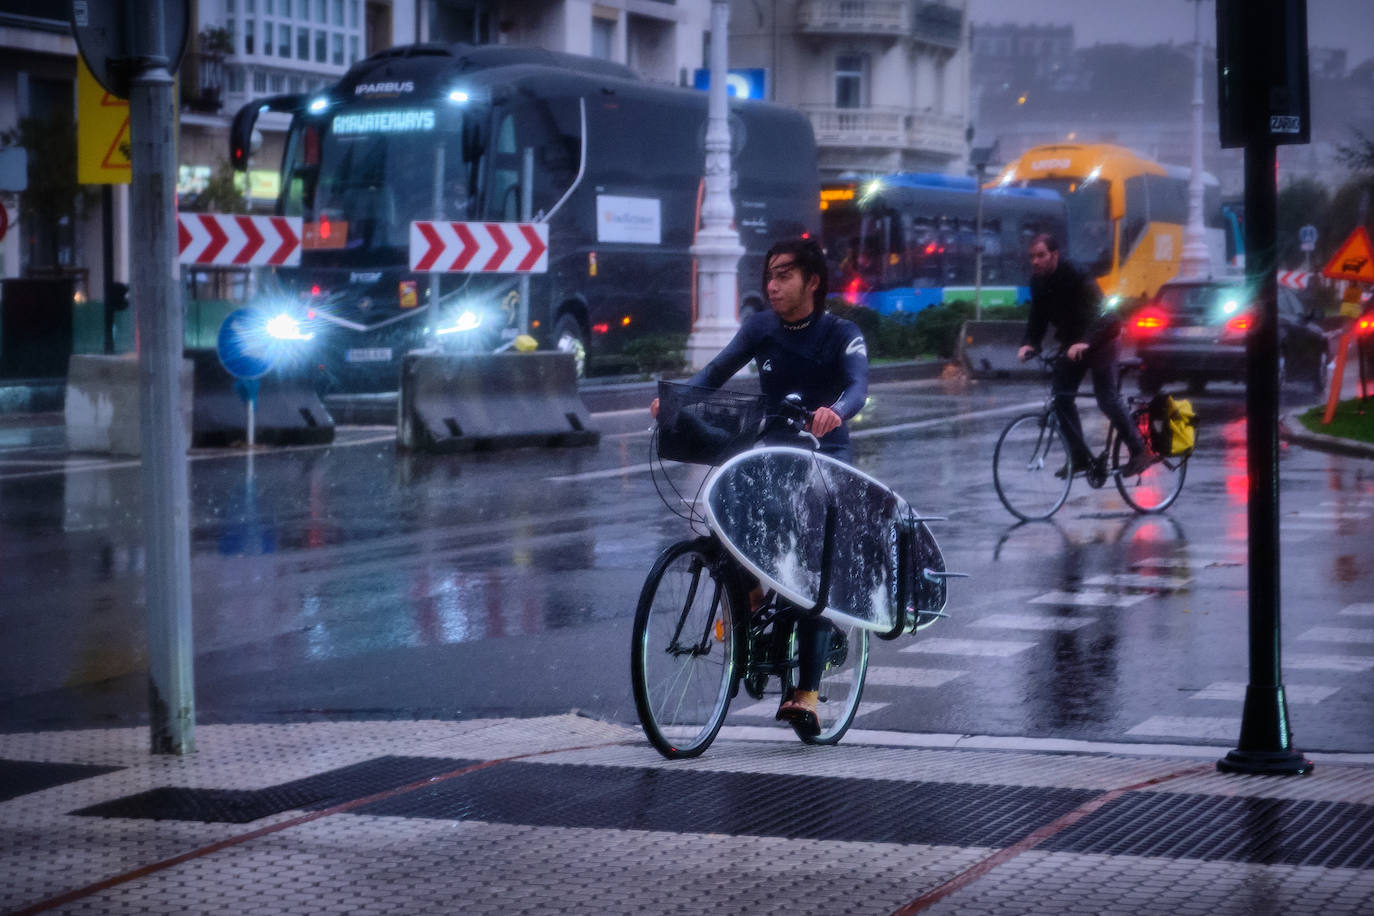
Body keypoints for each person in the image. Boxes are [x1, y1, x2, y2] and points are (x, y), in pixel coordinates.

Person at [650, 237, 869, 734]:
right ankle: (747, 591)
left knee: (806, 571)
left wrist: (835, 412)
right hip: (768, 451)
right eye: (769, 275)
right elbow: (715, 371)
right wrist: (678, 399)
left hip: (822, 455)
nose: (771, 285)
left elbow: (858, 385)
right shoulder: (760, 327)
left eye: (784, 275)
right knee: (722, 514)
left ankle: (807, 692)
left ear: (813, 281)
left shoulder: (841, 333)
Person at [1016, 233, 1152, 478]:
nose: (1035, 261)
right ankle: (1079, 457)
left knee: (1106, 398)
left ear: (1055, 255)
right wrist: (1029, 343)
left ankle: (1140, 451)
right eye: (1032, 257)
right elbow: (1037, 317)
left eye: (1041, 255)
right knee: (1061, 397)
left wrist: (1086, 341)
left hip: (1102, 338)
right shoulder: (1037, 282)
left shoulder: (1077, 274)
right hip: (1073, 343)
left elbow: (1105, 314)